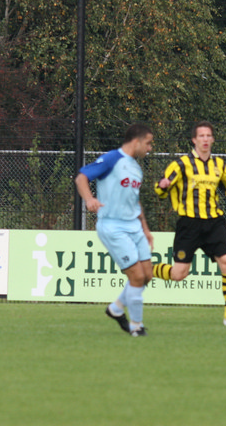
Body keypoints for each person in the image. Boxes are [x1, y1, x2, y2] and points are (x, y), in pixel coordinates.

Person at [153, 121, 226, 326]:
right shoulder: (181, 164)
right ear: (194, 140)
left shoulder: (220, 165)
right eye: (201, 136)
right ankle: (147, 269)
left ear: (213, 139)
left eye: (208, 136)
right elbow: (160, 189)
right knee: (179, 274)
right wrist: (162, 186)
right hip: (189, 224)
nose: (205, 139)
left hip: (214, 223)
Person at [75, 123, 155, 337]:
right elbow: (81, 177)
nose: (149, 148)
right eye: (148, 143)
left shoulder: (136, 168)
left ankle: (116, 308)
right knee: (137, 277)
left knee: (147, 275)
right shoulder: (112, 159)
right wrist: (89, 199)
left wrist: (146, 230)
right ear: (136, 141)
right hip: (113, 226)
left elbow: (135, 202)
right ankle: (136, 327)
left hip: (134, 227)